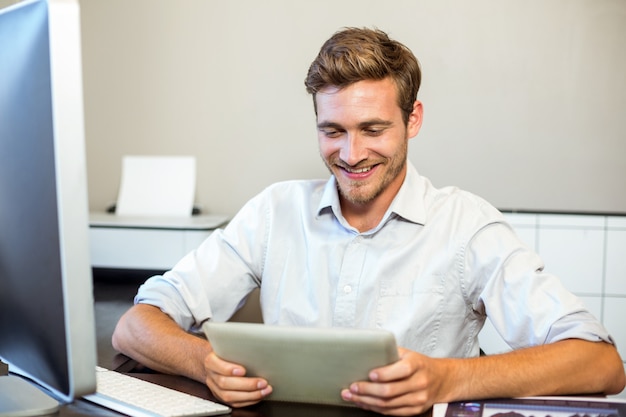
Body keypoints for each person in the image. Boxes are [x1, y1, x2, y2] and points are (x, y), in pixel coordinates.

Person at [112, 27, 625, 416]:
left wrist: (449, 379)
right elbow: (135, 327)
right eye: (332, 130)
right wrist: (203, 363)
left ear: (413, 120)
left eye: (373, 129)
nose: (351, 154)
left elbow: (602, 365)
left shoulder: (468, 226)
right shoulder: (274, 211)